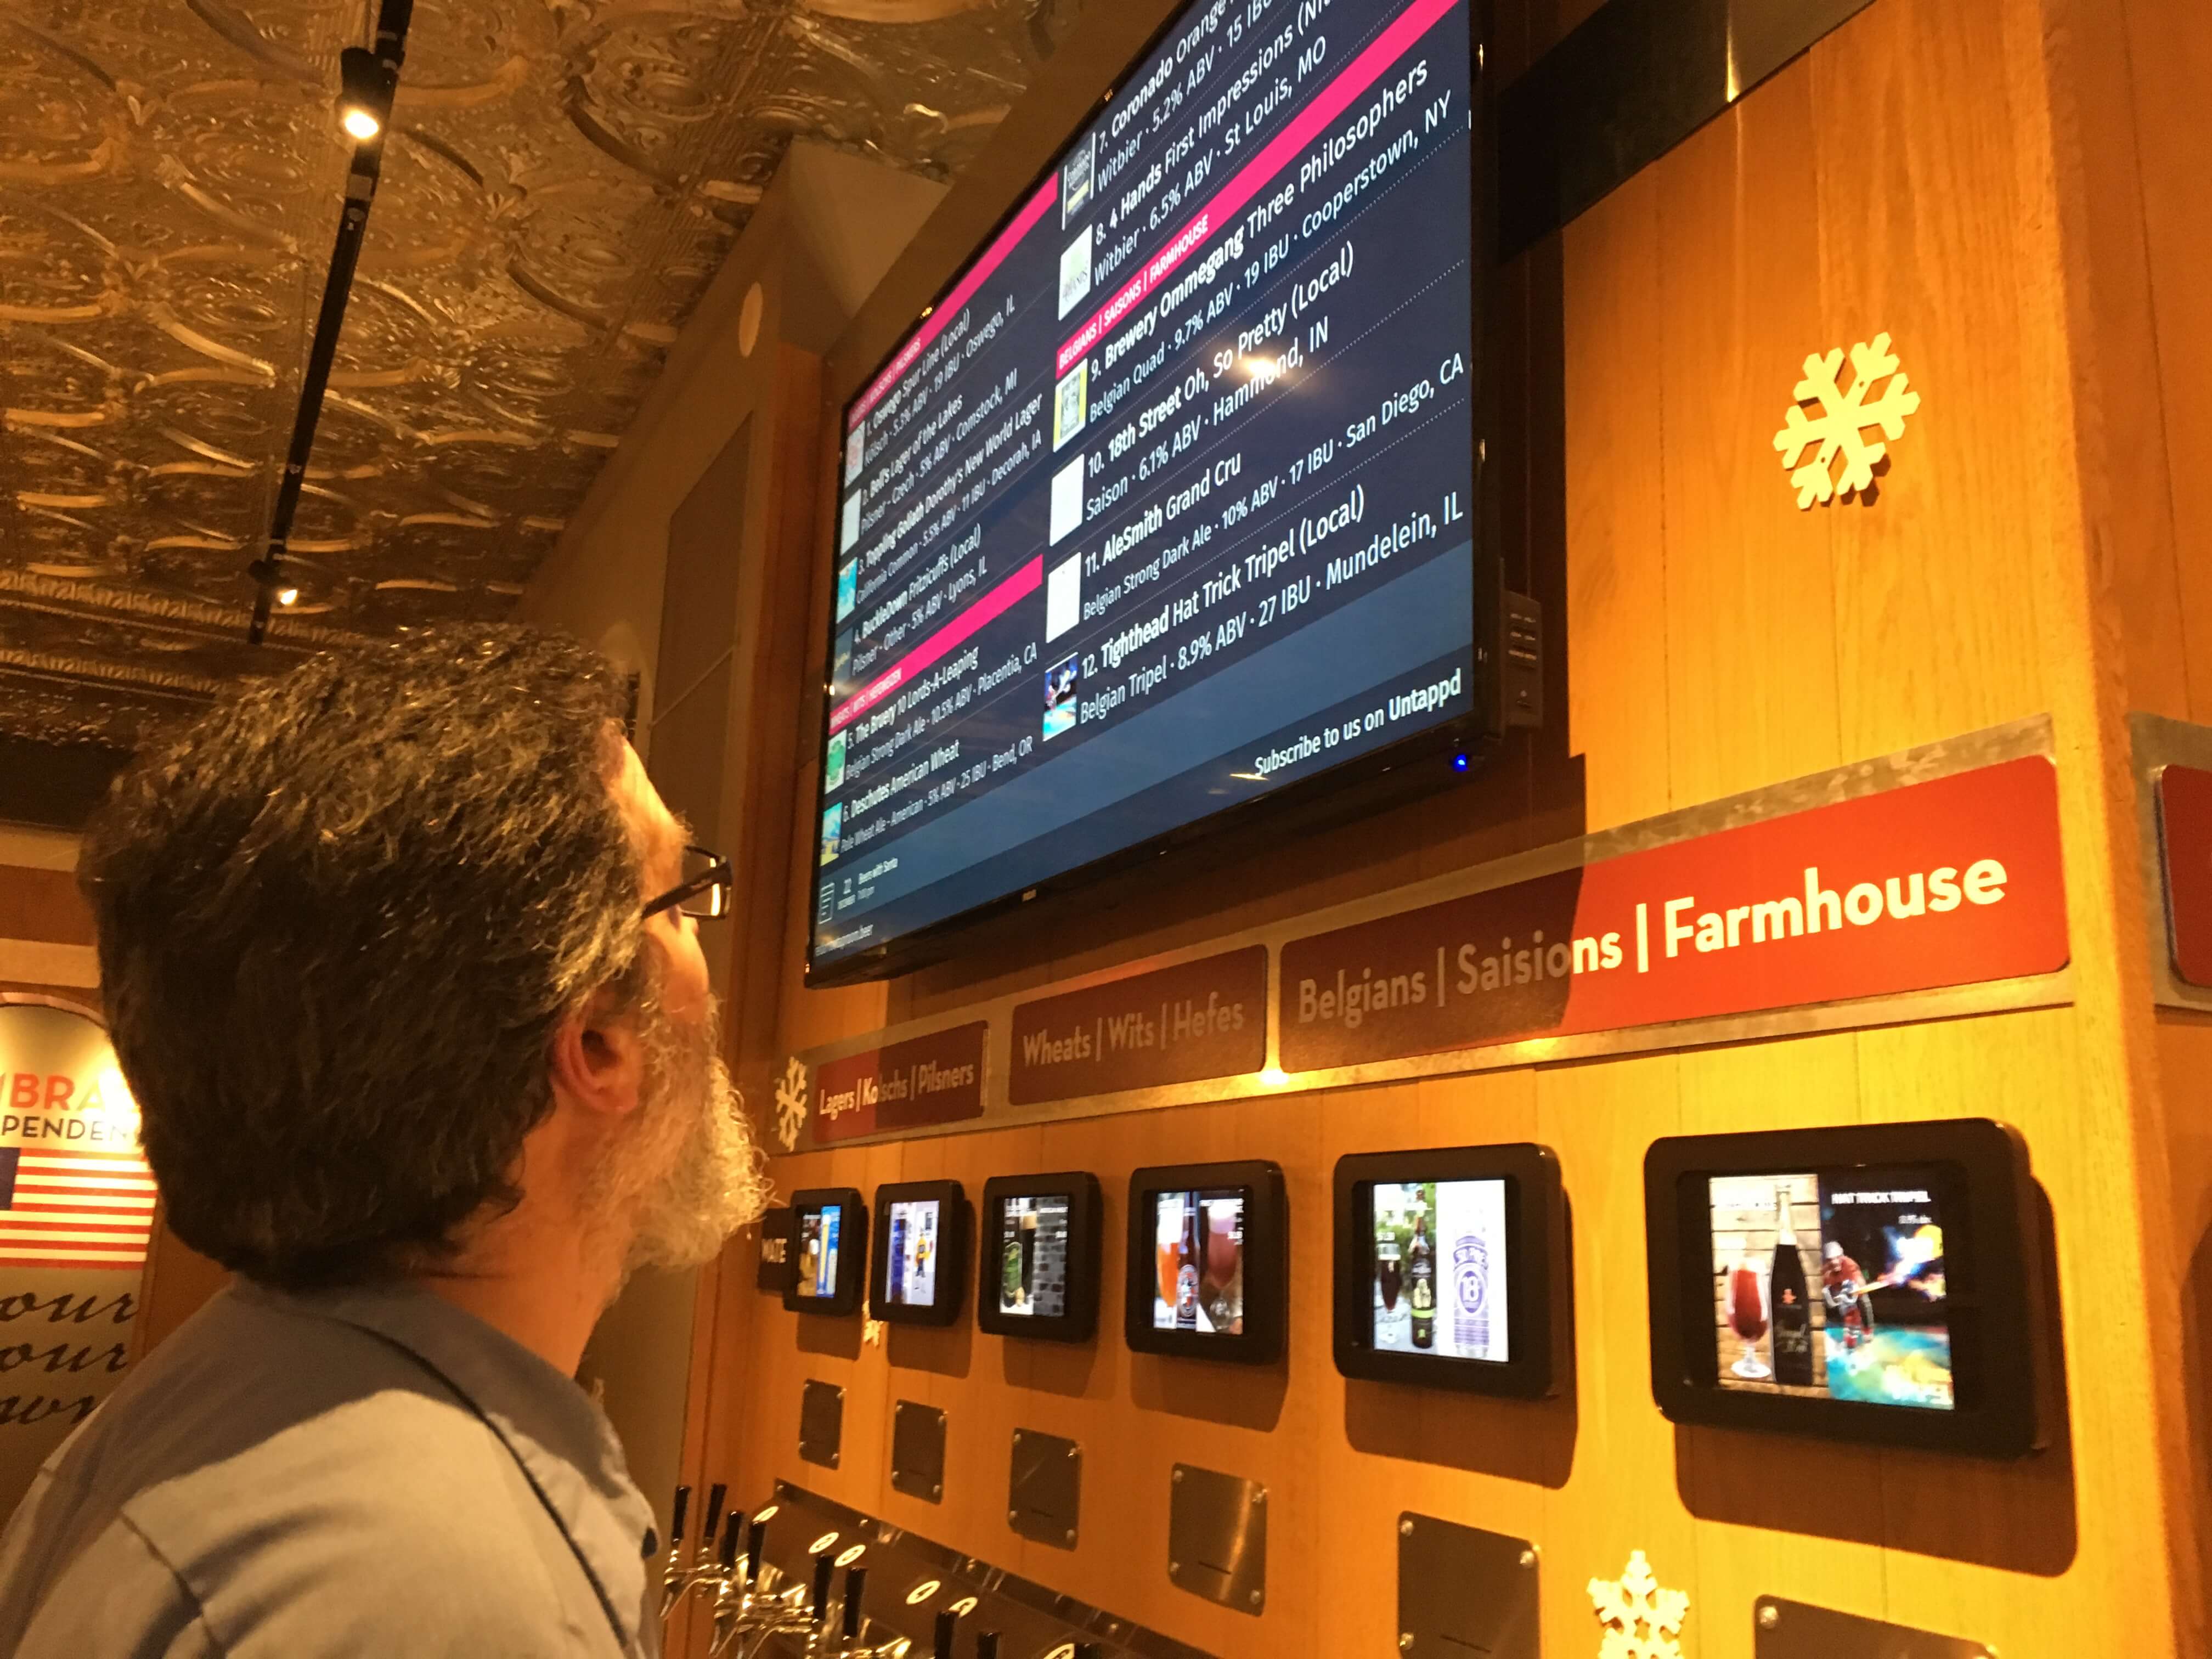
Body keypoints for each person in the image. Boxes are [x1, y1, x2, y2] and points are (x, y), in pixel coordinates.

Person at [0, 627, 769, 1655]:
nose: (705, 961)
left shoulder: (212, 1401)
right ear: (597, 1042)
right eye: (678, 904)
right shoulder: (454, 1597)